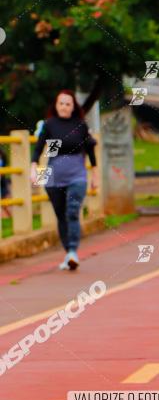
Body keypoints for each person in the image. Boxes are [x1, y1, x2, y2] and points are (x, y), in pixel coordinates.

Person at [30, 90, 98, 270]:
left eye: (68, 104)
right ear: (56, 105)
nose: (64, 107)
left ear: (73, 107)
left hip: (77, 174)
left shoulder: (80, 125)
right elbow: (38, 148)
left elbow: (91, 151)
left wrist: (95, 176)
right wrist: (33, 168)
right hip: (53, 174)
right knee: (61, 215)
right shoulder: (50, 124)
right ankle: (69, 253)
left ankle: (74, 250)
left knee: (72, 212)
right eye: (61, 103)